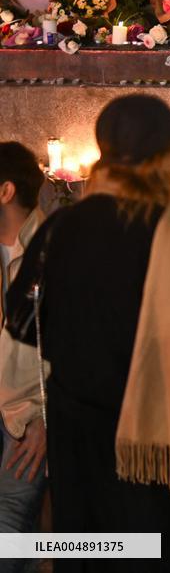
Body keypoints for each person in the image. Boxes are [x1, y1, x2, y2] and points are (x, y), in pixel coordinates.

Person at [6, 96, 170, 572]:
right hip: (164, 444)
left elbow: (23, 323)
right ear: (162, 159)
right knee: (163, 553)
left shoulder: (60, 230)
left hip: (81, 445)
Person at [0, 143, 46, 571]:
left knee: (10, 529)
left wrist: (46, 419)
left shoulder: (53, 251)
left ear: (5, 191)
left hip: (25, 421)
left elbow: (77, 350)